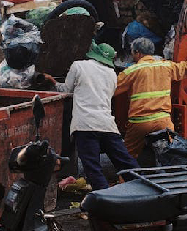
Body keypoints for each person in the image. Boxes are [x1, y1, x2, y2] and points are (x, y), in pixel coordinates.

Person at [35, 42, 138, 190]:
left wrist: (52, 81)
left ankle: (105, 199)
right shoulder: (112, 75)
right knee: (125, 162)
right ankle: (143, 188)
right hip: (107, 125)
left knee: (92, 167)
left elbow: (66, 90)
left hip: (85, 125)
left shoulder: (78, 66)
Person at [115, 36, 187, 158]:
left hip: (140, 123)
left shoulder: (131, 71)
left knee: (128, 157)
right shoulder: (166, 66)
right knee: (171, 155)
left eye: (133, 52)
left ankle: (124, 177)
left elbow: (113, 89)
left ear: (137, 53)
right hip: (163, 122)